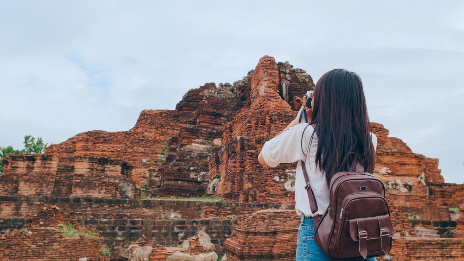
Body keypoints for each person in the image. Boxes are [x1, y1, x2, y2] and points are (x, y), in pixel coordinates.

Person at [258, 69, 378, 261]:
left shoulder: (306, 134)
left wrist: (297, 121)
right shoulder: (369, 139)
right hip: (361, 233)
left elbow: (263, 157)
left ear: (324, 99)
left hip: (318, 233)